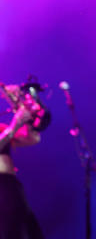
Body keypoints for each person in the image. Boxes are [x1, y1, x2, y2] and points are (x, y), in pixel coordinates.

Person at [0, 87, 45, 239]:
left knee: (29, 231)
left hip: (11, 185)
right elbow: (11, 132)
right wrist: (14, 126)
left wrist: (20, 108)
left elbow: (32, 138)